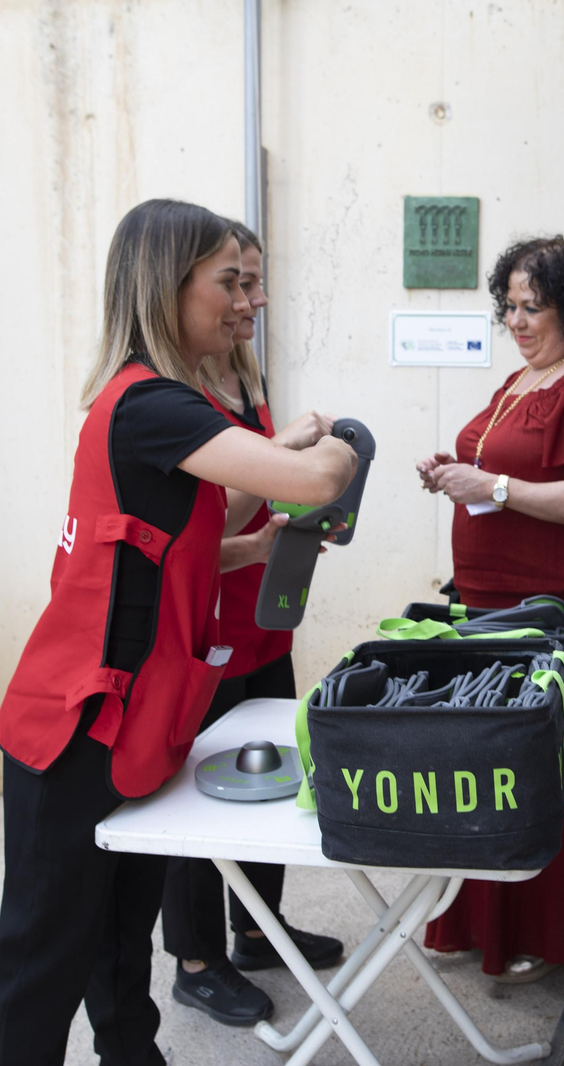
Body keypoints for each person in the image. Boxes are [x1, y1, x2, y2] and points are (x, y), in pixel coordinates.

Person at [0, 199, 356, 1066]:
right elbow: (308, 480)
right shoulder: (152, 404)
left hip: (131, 720)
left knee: (119, 936)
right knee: (43, 958)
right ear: (167, 286)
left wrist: (251, 548)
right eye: (228, 282)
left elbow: (158, 553)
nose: (247, 301)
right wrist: (340, 447)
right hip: (69, 729)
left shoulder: (168, 406)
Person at [414, 236, 564, 983]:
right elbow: (501, 475)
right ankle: (484, 916)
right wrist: (458, 475)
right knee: (491, 765)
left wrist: (493, 489)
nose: (516, 319)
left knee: (536, 767)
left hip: (556, 608)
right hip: (492, 598)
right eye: (508, 305)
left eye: (532, 306)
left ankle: (540, 927)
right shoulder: (520, 379)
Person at [160, 220, 344, 1028]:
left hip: (265, 613)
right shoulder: (173, 395)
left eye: (255, 280)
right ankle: (195, 958)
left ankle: (256, 930)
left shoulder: (241, 373)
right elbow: (211, 516)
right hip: (207, 626)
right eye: (237, 282)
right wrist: (281, 455)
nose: (253, 298)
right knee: (201, 796)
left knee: (272, 781)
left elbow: (264, 499)